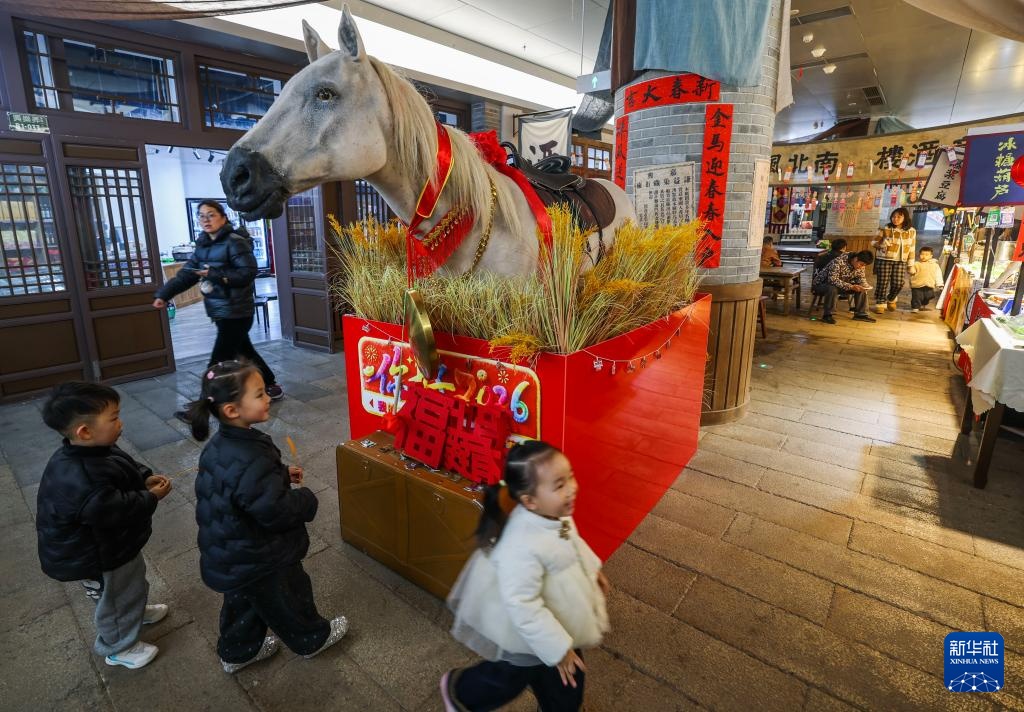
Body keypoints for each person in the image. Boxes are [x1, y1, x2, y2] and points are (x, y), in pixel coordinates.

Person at [186, 359, 347, 674]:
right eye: (259, 394)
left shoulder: (221, 445)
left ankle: (237, 652)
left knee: (244, 602)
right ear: (232, 410)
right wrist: (305, 500)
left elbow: (240, 486)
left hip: (231, 551)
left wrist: (282, 474)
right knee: (289, 596)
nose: (268, 398)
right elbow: (274, 510)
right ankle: (312, 638)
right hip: (260, 553)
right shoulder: (250, 454)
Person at [441, 441, 610, 712]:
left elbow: (573, 542)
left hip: (561, 619)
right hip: (527, 630)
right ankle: (460, 691)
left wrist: (592, 569)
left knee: (566, 681)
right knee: (508, 677)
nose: (572, 488)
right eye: (559, 485)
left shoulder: (555, 512)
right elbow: (523, 604)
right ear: (529, 501)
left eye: (570, 477)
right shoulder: (521, 545)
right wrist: (557, 649)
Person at [36, 382, 172, 670]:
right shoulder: (80, 476)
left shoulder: (97, 449)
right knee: (113, 598)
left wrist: (143, 478)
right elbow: (115, 510)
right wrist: (150, 497)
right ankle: (118, 647)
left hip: (113, 546)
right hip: (95, 555)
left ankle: (133, 611)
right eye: (113, 418)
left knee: (129, 585)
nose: (120, 423)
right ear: (83, 431)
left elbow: (125, 466)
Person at [153, 199, 283, 415]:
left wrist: (215, 275)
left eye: (211, 214)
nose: (206, 219)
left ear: (223, 218)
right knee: (244, 350)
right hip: (219, 311)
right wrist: (164, 294)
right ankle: (270, 384)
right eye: (202, 215)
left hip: (238, 311)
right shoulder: (203, 246)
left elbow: (247, 273)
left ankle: (201, 408)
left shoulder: (235, 242)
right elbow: (187, 275)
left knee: (217, 361)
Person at [811, 250, 876, 325]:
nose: (862, 267)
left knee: (861, 288)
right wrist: (851, 286)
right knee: (832, 288)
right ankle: (827, 315)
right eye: (861, 264)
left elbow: (861, 278)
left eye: (864, 265)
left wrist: (865, 286)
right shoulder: (838, 261)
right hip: (821, 284)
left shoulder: (860, 266)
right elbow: (832, 280)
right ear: (856, 259)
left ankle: (861, 314)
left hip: (841, 285)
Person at [871, 207, 916, 314]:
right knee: (882, 282)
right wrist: (881, 244)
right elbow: (873, 242)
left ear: (905, 218)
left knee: (898, 283)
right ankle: (880, 302)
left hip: (901, 261)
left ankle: (891, 298)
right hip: (884, 259)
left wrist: (911, 265)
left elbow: (912, 248)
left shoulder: (911, 231)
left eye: (899, 217)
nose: (895, 219)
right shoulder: (885, 228)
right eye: (893, 216)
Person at [908, 246, 944, 312]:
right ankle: (915, 307)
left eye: (926, 255)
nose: (924, 256)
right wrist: (910, 268)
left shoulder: (935, 265)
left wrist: (940, 284)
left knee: (929, 295)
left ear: (931, 256)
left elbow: (938, 275)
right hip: (917, 284)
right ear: (919, 255)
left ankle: (924, 302)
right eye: (922, 254)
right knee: (917, 296)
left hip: (929, 284)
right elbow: (912, 272)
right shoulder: (916, 264)